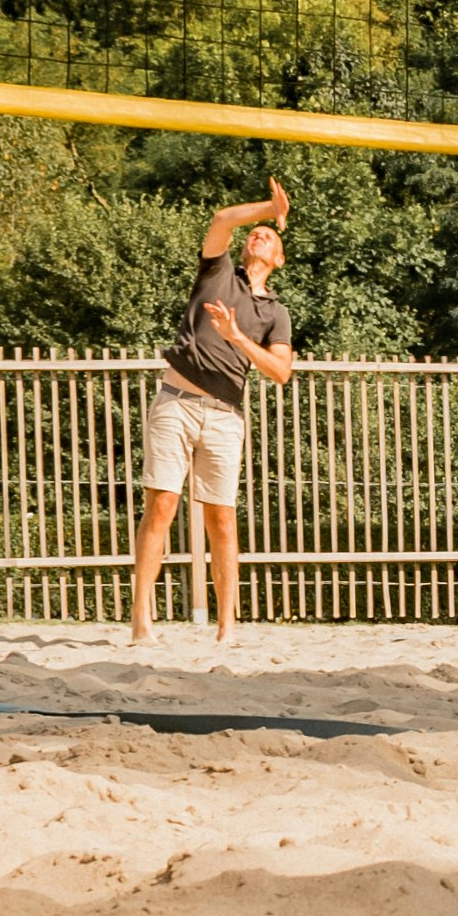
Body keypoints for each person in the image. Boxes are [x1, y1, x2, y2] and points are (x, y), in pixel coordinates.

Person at [133, 178, 300, 647]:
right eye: (257, 233)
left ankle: (227, 626)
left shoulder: (275, 313)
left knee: (221, 518)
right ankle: (142, 621)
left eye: (269, 236)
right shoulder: (218, 273)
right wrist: (270, 207)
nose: (259, 235)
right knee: (161, 506)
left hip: (225, 415)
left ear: (279, 260)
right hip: (176, 402)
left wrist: (237, 338)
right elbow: (224, 219)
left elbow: (280, 371)